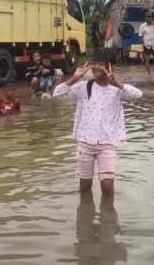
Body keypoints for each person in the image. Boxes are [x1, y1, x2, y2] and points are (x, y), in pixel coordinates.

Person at [52, 48, 143, 197]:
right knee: (85, 186)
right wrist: (74, 79)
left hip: (106, 144)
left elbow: (138, 95)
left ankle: (108, 219)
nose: (94, 68)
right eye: (93, 63)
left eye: (99, 64)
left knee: (107, 187)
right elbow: (57, 95)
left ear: (109, 67)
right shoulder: (84, 87)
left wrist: (119, 84)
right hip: (85, 143)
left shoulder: (117, 90)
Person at [138, 12, 154, 79]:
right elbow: (141, 36)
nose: (149, 18)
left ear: (152, 18)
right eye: (148, 17)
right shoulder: (142, 26)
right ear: (145, 18)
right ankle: (149, 74)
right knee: (147, 60)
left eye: (150, 17)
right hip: (146, 45)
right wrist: (143, 45)